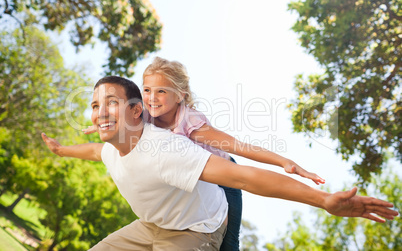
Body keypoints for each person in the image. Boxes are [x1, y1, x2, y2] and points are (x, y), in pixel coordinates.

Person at [42, 75, 398, 251]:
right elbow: (93, 151)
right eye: (93, 105)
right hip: (152, 223)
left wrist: (320, 198)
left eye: (111, 103)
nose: (99, 112)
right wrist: (61, 150)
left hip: (199, 225)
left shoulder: (173, 144)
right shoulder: (112, 146)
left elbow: (243, 171)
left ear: (137, 111)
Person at [81, 57, 325, 251]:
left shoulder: (192, 124)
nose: (152, 98)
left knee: (229, 244)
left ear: (180, 95)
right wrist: (103, 122)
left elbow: (239, 146)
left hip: (224, 180)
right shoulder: (143, 112)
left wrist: (284, 161)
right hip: (190, 180)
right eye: (147, 90)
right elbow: (120, 119)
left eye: (162, 92)